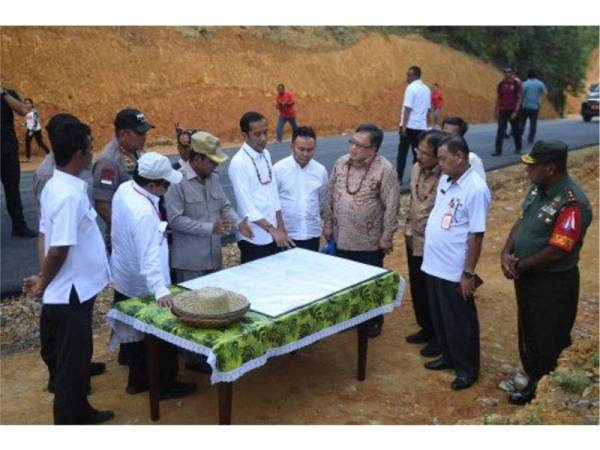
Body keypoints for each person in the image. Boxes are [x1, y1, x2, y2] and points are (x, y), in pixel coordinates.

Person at [22, 121, 113, 425]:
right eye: (90, 146)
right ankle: (69, 420)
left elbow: (44, 235)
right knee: (71, 366)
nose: (92, 151)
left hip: (74, 290)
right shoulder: (67, 196)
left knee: (76, 358)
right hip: (71, 292)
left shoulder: (58, 185)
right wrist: (43, 281)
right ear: (79, 153)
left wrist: (42, 278)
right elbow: (58, 248)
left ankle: (80, 409)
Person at [500, 141, 592, 405]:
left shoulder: (572, 203)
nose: (527, 171)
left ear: (550, 168)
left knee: (549, 337)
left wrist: (521, 265)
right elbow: (522, 221)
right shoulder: (538, 189)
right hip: (528, 277)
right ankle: (533, 382)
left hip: (553, 283)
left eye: (533, 167)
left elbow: (557, 251)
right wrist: (506, 253)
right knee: (529, 332)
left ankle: (546, 395)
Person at [110, 152, 196, 399]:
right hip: (145, 282)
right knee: (161, 336)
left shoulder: (126, 188)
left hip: (125, 273)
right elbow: (149, 256)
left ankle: (137, 380)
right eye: (166, 184)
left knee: (136, 337)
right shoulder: (144, 212)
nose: (168, 188)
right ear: (152, 185)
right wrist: (161, 291)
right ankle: (164, 384)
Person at [421, 135, 491, 390]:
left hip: (454, 268)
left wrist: (468, 273)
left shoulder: (475, 188)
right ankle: (449, 356)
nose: (439, 164)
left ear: (460, 157)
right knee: (441, 316)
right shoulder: (447, 180)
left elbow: (476, 234)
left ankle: (467, 368)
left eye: (443, 158)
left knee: (460, 320)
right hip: (434, 263)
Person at [323, 123, 400, 338]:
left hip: (369, 242)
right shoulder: (340, 163)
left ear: (372, 150)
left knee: (370, 284)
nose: (353, 148)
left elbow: (392, 206)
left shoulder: (385, 170)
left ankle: (373, 320)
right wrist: (327, 224)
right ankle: (350, 317)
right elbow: (329, 196)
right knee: (345, 281)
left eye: (359, 145)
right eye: (352, 142)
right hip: (341, 237)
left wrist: (387, 237)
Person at [166, 131, 253, 282]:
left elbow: (224, 206)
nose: (217, 165)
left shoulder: (214, 178)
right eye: (212, 161)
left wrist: (238, 223)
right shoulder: (176, 181)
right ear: (198, 159)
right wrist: (210, 228)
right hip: (190, 264)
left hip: (214, 259)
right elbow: (175, 220)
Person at [228, 111, 294, 264]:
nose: (263, 138)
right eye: (257, 134)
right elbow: (246, 207)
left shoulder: (266, 154)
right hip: (253, 238)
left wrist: (281, 227)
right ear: (245, 135)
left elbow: (273, 194)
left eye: (265, 132)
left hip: (274, 234)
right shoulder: (238, 163)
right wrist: (272, 230)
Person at [404, 130, 446, 358]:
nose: (420, 156)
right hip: (413, 239)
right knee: (418, 289)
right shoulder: (416, 169)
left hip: (433, 245)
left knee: (433, 292)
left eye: (425, 154)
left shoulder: (446, 178)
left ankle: (438, 337)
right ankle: (425, 328)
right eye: (418, 151)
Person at [92, 108, 154, 247]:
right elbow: (103, 206)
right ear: (123, 134)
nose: (144, 137)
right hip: (126, 240)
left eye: (144, 132)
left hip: (143, 231)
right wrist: (128, 231)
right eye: (139, 133)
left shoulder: (135, 150)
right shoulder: (109, 162)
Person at [273, 126, 329, 252]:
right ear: (292, 146)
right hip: (286, 236)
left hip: (311, 234)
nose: (305, 154)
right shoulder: (278, 170)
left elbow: (322, 201)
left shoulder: (320, 171)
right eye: (301, 149)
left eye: (310, 150)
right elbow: (273, 202)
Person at [1, 83, 37, 237]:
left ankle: (19, 225)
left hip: (6, 149)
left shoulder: (8, 93)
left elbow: (24, 110)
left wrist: (3, 94)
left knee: (12, 190)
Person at [397, 66, 431, 184]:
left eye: (409, 75)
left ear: (415, 75)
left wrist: (404, 127)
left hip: (410, 126)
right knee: (417, 154)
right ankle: (415, 178)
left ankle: (399, 178)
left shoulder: (411, 88)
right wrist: (427, 125)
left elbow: (407, 108)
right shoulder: (426, 89)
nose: (407, 77)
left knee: (402, 153)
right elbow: (428, 110)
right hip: (421, 127)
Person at [442, 116, 487, 182]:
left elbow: (481, 184)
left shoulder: (471, 158)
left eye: (449, 135)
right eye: (443, 133)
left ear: (460, 136)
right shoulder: (438, 156)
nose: (444, 138)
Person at [493, 66, 523, 156]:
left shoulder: (516, 83)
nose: (507, 74)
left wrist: (516, 111)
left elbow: (520, 97)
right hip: (503, 109)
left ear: (513, 73)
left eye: (509, 72)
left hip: (512, 109)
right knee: (500, 130)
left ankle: (518, 148)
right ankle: (498, 150)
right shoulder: (501, 84)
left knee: (515, 130)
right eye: (505, 72)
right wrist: (496, 110)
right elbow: (498, 97)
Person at [519, 70, 548, 144]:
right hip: (535, 106)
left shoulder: (525, 83)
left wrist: (520, 103)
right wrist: (540, 101)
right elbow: (545, 93)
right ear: (536, 76)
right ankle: (530, 139)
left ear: (528, 76)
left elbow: (521, 95)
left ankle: (519, 136)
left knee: (522, 122)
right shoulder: (540, 83)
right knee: (533, 123)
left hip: (525, 106)